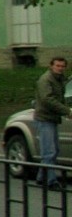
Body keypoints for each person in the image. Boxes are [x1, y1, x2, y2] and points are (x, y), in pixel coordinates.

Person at [36, 56, 69, 188]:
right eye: (57, 66)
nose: (60, 68)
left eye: (62, 66)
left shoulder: (60, 79)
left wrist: (64, 110)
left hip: (52, 118)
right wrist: (67, 111)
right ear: (51, 66)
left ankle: (41, 177)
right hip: (44, 118)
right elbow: (47, 99)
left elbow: (60, 98)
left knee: (53, 150)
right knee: (49, 151)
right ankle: (50, 181)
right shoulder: (46, 80)